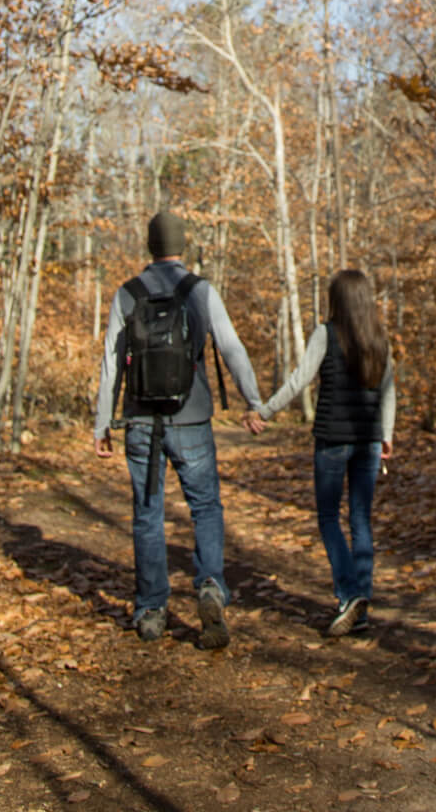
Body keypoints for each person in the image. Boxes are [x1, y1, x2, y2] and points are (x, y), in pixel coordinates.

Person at [94, 210, 264, 648]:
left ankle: (151, 608)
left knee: (147, 513)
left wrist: (101, 422)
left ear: (149, 245)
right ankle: (209, 586)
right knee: (205, 506)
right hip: (192, 418)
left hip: (140, 421)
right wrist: (254, 400)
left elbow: (112, 363)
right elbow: (231, 347)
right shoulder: (199, 291)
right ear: (182, 244)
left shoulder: (127, 293)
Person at [246, 268, 395, 637]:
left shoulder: (326, 334)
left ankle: (350, 594)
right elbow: (390, 390)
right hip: (370, 440)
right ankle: (359, 604)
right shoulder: (380, 337)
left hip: (332, 440)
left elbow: (300, 380)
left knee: (329, 517)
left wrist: (264, 411)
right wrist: (387, 435)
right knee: (360, 519)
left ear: (337, 301)